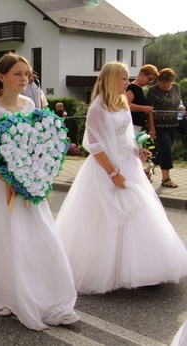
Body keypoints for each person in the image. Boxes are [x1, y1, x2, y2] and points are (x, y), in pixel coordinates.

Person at [0, 53, 79, 330]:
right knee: (6, 240)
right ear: (1, 76)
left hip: (31, 183)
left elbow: (38, 144)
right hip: (0, 187)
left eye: (27, 74)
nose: (24, 79)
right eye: (18, 74)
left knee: (39, 236)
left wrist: (39, 172)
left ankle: (50, 298)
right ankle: (4, 293)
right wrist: (8, 179)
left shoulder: (29, 104)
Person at [55, 62, 187, 294]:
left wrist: (137, 151)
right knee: (108, 216)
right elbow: (93, 145)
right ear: (110, 79)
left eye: (128, 79)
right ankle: (107, 270)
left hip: (128, 163)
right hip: (107, 167)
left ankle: (146, 266)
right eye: (123, 79)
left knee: (139, 211)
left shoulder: (123, 102)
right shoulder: (97, 108)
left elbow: (126, 137)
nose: (128, 83)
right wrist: (113, 173)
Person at [147, 68, 185, 188]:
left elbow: (179, 101)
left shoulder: (176, 87)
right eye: (161, 82)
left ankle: (147, 171)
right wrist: (152, 128)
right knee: (167, 150)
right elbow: (150, 111)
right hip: (159, 126)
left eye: (167, 82)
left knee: (164, 151)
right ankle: (165, 179)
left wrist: (181, 107)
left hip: (173, 124)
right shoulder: (153, 90)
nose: (164, 85)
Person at [126, 64, 158, 135]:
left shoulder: (139, 88)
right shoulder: (133, 88)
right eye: (149, 79)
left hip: (137, 126)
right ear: (142, 74)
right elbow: (125, 104)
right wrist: (142, 108)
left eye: (152, 80)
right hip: (132, 125)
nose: (149, 82)